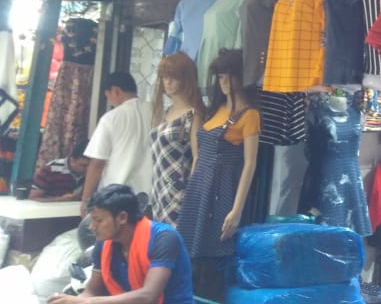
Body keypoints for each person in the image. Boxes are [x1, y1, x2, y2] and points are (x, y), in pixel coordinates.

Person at [175, 49, 260, 301]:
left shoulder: (250, 115)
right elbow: (199, 154)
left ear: (240, 77)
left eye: (228, 76)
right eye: (220, 76)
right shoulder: (217, 110)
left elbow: (250, 164)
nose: (223, 82)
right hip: (199, 189)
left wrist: (236, 210)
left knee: (212, 260)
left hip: (221, 192)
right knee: (188, 257)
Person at [47, 184, 193, 304]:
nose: (91, 227)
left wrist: (89, 302)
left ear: (122, 217)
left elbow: (148, 296)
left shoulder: (164, 238)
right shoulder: (103, 244)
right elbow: (91, 292)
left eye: (98, 220)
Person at [81, 73, 153, 218]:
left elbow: (97, 163)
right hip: (150, 198)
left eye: (108, 96)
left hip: (117, 199)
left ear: (115, 91)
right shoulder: (157, 112)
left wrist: (85, 200)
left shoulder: (111, 118)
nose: (109, 101)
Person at [150, 52, 203, 225]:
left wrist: (192, 194)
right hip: (158, 188)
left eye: (173, 77)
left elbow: (197, 157)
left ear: (185, 79)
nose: (168, 82)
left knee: (173, 235)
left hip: (178, 189)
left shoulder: (192, 114)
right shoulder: (166, 113)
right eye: (165, 77)